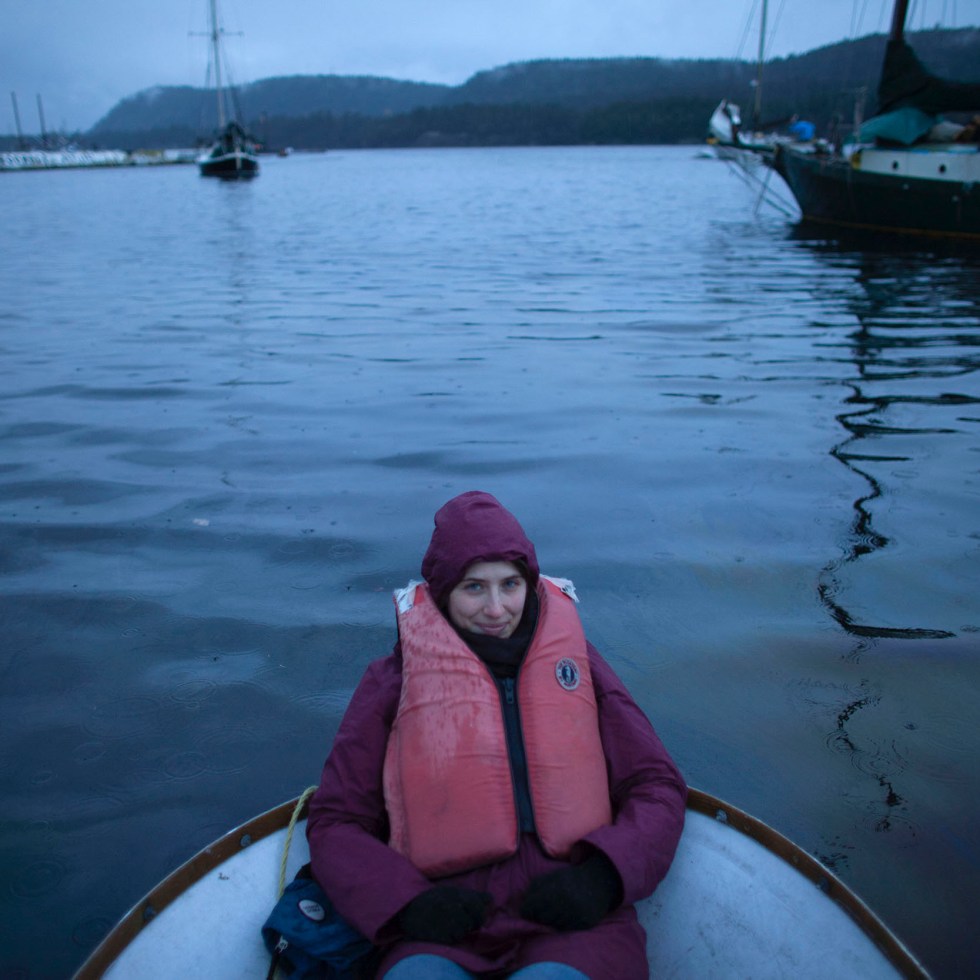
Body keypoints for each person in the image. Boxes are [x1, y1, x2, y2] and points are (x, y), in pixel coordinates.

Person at [307, 491, 687, 979]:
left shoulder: (580, 668)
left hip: (577, 924)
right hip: (442, 926)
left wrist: (603, 878)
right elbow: (336, 820)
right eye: (473, 587)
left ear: (530, 584)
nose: (495, 608)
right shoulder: (390, 681)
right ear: (443, 592)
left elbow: (656, 786)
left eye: (510, 584)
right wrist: (407, 905)